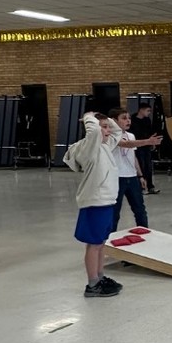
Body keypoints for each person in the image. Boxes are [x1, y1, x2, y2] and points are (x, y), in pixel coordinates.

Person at [65, 111, 123, 298]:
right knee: (94, 244)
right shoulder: (89, 148)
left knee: (101, 243)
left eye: (107, 127)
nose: (107, 131)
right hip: (95, 202)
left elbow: (117, 132)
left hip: (106, 201)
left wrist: (105, 120)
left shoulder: (105, 146)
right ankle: (92, 284)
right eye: (103, 127)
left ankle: (100, 277)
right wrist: (90, 116)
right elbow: (94, 133)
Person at [109, 108, 161, 233]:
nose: (128, 121)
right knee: (114, 212)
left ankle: (144, 234)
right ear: (114, 121)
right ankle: (109, 240)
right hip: (117, 178)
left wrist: (141, 175)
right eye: (124, 118)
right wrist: (148, 141)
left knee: (140, 209)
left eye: (129, 118)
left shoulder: (130, 135)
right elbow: (127, 144)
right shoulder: (110, 136)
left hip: (132, 177)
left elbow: (133, 157)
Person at [130, 103, 159, 194]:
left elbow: (150, 131)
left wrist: (152, 142)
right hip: (138, 145)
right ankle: (141, 187)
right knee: (141, 165)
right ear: (141, 110)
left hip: (147, 145)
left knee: (148, 166)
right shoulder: (133, 120)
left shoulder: (147, 120)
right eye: (147, 111)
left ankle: (150, 186)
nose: (149, 113)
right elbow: (135, 134)